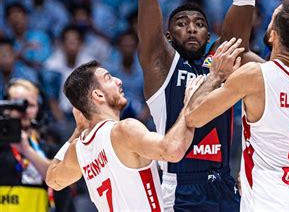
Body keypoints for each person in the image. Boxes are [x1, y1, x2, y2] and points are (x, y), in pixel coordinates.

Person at [137, 0, 269, 210]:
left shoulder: (221, 58)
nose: (192, 28)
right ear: (168, 36)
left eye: (199, 23)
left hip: (223, 182)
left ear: (209, 34)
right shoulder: (160, 65)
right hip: (181, 185)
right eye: (182, 23)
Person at [185, 0, 289, 210]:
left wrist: (215, 76)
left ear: (273, 35)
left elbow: (194, 117)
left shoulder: (255, 76)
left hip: (266, 202)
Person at [45, 60, 195, 211]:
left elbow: (52, 180)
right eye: (109, 78)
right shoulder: (124, 130)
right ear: (98, 95)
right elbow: (172, 150)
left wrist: (77, 131)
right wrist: (190, 105)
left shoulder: (78, 149)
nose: (119, 81)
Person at [0, 79, 50, 212]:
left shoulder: (47, 148)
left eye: (31, 105)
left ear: (39, 109)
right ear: (5, 106)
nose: (24, 110)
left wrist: (27, 150)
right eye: (17, 104)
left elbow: (58, 178)